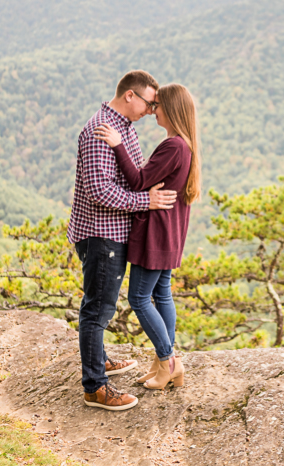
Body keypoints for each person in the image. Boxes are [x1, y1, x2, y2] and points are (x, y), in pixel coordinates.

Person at [68, 70, 178, 412]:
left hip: (114, 233)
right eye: (148, 102)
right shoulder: (100, 131)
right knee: (97, 311)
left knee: (101, 305)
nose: (151, 110)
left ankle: (98, 360)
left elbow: (131, 176)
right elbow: (101, 192)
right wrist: (147, 201)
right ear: (130, 96)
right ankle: (96, 388)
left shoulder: (123, 128)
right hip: (101, 234)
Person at [95, 83, 201, 391]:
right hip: (170, 232)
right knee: (162, 293)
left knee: (139, 298)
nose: (153, 110)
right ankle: (163, 364)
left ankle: (168, 361)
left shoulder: (174, 147)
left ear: (172, 109)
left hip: (155, 233)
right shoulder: (185, 144)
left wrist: (117, 144)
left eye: (158, 106)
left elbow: (139, 180)